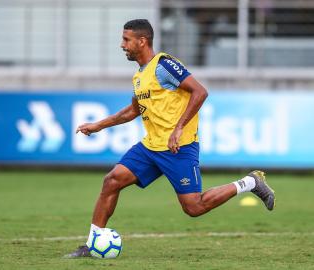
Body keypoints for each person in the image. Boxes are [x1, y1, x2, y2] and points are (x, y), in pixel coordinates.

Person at [65, 19, 275, 258]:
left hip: (179, 148)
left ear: (142, 41)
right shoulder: (139, 76)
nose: (122, 45)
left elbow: (200, 91)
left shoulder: (164, 65)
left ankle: (250, 182)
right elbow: (133, 110)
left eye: (126, 39)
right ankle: (92, 244)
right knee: (112, 181)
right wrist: (98, 125)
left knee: (194, 207)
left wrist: (178, 128)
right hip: (151, 146)